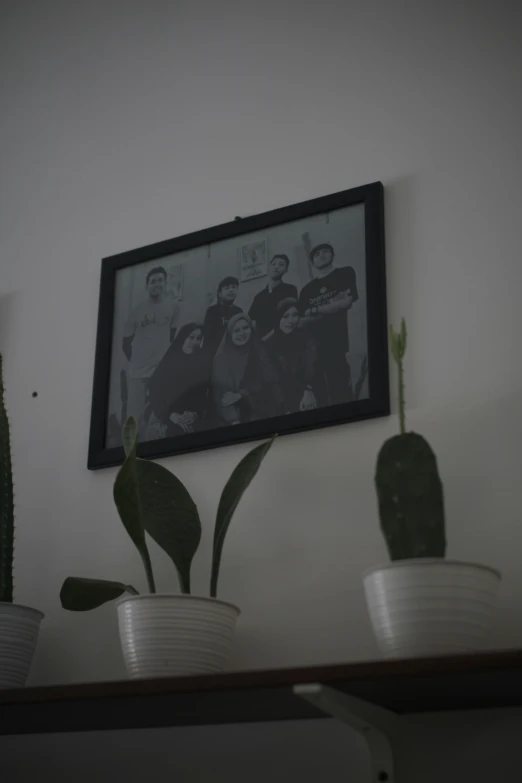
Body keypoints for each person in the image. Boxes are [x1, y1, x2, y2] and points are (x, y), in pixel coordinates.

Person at [122, 266, 180, 435]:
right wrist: (137, 361)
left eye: (160, 280)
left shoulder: (173, 308)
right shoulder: (137, 312)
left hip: (160, 372)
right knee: (135, 417)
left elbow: (171, 337)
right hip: (138, 374)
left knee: (159, 414)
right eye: (153, 281)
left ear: (165, 283)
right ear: (147, 285)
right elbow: (125, 343)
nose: (156, 284)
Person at [298, 243, 358, 406]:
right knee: (320, 399)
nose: (321, 255)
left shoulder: (345, 273)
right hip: (313, 349)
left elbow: (346, 302)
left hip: (336, 344)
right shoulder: (307, 290)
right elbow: (302, 321)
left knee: (342, 394)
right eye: (316, 254)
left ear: (333, 255)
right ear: (312, 262)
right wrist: (331, 305)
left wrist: (316, 309)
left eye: (325, 252)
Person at [212, 313, 284, 425]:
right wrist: (234, 420)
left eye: (246, 328)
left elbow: (272, 380)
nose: (242, 333)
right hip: (236, 415)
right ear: (230, 333)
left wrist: (241, 394)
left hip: (265, 405)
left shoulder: (258, 349)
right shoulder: (221, 358)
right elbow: (223, 396)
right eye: (237, 330)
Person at [146, 322, 210, 438]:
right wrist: (171, 415)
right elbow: (155, 392)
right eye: (191, 337)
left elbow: (202, 393)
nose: (195, 342)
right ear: (183, 338)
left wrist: (194, 414)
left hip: (189, 414)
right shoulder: (170, 360)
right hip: (165, 412)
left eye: (198, 339)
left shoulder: (201, 361)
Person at [265, 298, 319, 414]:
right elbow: (271, 380)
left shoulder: (306, 338)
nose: (291, 321)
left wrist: (308, 390)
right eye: (285, 316)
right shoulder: (269, 345)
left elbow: (312, 367)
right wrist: (285, 408)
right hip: (279, 400)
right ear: (278, 318)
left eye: (295, 315)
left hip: (306, 394)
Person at [248, 254, 297, 340]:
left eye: (281, 265)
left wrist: (266, 338)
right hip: (261, 343)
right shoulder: (259, 297)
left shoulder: (290, 289)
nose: (276, 267)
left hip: (284, 339)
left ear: (286, 270)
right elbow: (253, 321)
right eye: (273, 264)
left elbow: (290, 318)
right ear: (269, 267)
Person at [203, 276, 242, 358]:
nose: (231, 290)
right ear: (220, 294)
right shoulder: (212, 311)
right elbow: (208, 337)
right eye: (227, 288)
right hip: (215, 354)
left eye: (234, 287)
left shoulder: (239, 311)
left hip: (236, 353)